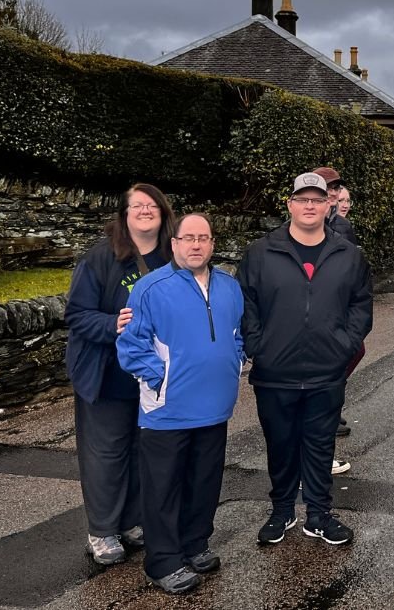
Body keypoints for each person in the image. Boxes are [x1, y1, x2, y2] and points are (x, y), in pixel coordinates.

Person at [238, 172, 372, 547]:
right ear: (290, 205)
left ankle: (318, 514)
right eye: (302, 199)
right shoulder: (261, 252)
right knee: (280, 445)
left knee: (319, 444)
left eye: (317, 199)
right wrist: (258, 345)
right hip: (274, 372)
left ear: (328, 204)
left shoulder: (348, 254)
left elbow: (361, 305)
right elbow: (245, 303)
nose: (310, 206)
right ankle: (282, 512)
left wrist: (344, 345)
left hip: (326, 372)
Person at [117, 213, 245, 595]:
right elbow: (131, 345)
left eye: (203, 238)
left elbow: (237, 335)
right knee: (163, 488)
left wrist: (234, 363)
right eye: (187, 238)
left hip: (215, 407)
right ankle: (163, 561)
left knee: (204, 482)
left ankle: (195, 543)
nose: (195, 245)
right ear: (173, 244)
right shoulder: (150, 288)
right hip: (167, 411)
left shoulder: (229, 286)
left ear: (212, 243)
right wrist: (161, 380)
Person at [64, 183, 176, 565]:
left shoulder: (171, 258)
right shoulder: (99, 259)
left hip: (151, 377)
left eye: (152, 206)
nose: (145, 211)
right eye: (137, 206)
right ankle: (102, 530)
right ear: (124, 215)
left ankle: (130, 521)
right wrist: (113, 324)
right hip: (107, 375)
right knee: (106, 453)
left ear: (162, 213)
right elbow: (77, 315)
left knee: (140, 450)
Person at [311, 166, 363, 467]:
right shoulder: (321, 226)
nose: (334, 198)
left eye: (335, 192)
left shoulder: (338, 226)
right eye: (329, 191)